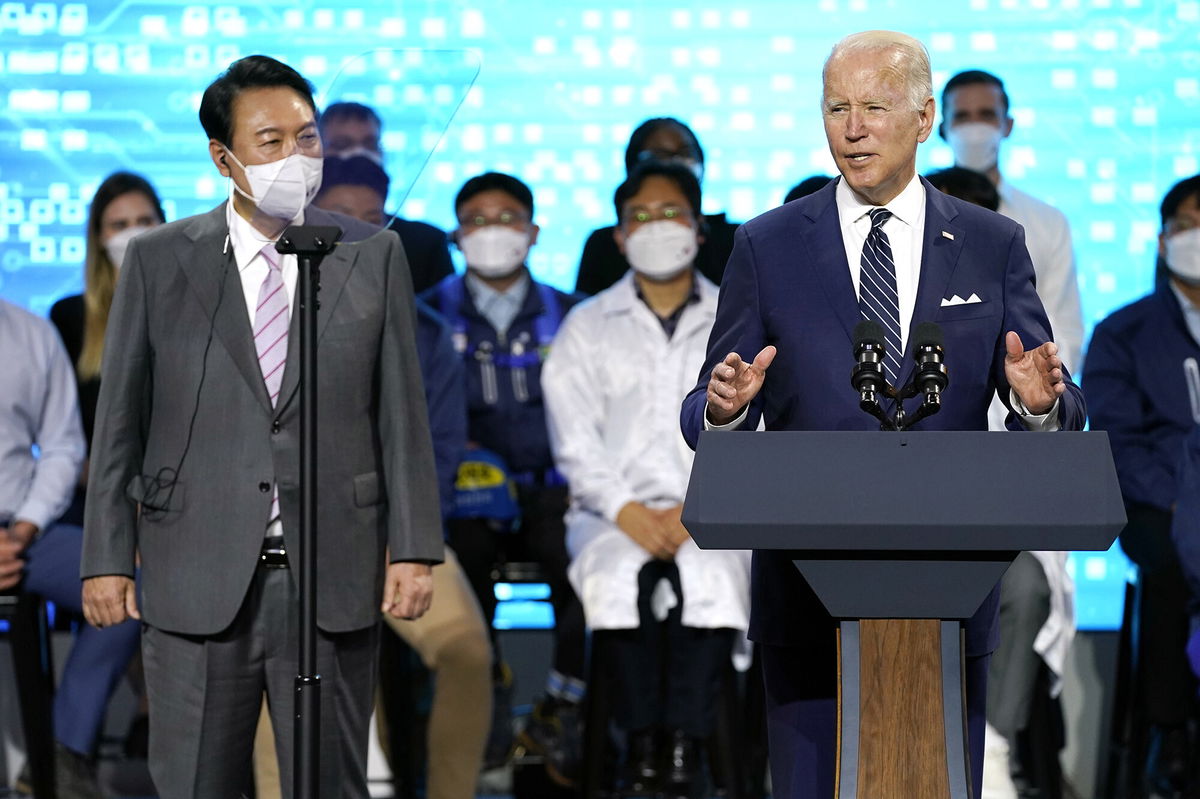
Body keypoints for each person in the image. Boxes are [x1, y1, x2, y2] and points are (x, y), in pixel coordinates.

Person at [679, 31, 1085, 799]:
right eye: (836, 108)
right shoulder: (767, 246)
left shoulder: (992, 244)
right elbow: (708, 411)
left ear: (924, 116)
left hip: (948, 589)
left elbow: (1052, 394)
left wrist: (1038, 403)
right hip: (804, 585)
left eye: (873, 107)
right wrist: (728, 410)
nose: (852, 128)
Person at [79, 54, 442, 799]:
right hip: (196, 572)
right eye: (270, 141)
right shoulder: (157, 260)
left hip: (332, 568)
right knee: (195, 784)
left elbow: (403, 415)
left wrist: (412, 546)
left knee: (328, 784)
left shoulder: (371, 253)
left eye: (307, 138)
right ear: (224, 157)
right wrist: (106, 556)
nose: (295, 157)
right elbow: (120, 422)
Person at [543, 161, 751, 798]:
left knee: (714, 576)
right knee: (612, 578)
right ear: (617, 236)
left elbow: (758, 431)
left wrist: (696, 512)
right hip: (613, 514)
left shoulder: (738, 317)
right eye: (640, 215)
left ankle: (686, 744)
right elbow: (574, 442)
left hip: (714, 512)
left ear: (698, 227)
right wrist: (628, 511)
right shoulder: (585, 324)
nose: (656, 227)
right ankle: (636, 745)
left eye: (671, 214)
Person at [307, 152, 492, 799]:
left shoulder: (427, 333)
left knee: (468, 651)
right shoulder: (269, 321)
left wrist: (403, 538)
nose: (356, 230)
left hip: (403, 536)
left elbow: (438, 456)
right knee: (287, 658)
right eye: (338, 215)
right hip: (301, 542)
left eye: (371, 218)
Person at [421, 172, 587, 786]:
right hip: (462, 498)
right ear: (457, 235)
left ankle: (561, 705)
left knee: (587, 563)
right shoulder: (426, 314)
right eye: (479, 220)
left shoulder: (572, 313)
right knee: (461, 562)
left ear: (535, 231)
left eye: (508, 218)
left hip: (552, 489)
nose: (495, 232)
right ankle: (487, 690)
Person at [928, 163, 1072, 799]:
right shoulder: (876, 291)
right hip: (878, 518)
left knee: (1024, 587)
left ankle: (992, 745)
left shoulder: (1019, 305)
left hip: (989, 522)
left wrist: (1038, 405)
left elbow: (1061, 405)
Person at [1084, 173, 1200, 797]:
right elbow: (1118, 441)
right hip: (1161, 498)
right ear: (1162, 238)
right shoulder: (1124, 332)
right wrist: (1179, 498)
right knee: (1173, 565)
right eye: (1188, 223)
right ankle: (1170, 731)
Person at [1, 297, 137, 799]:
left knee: (127, 584)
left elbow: (62, 446)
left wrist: (23, 529)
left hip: (22, 530)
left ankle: (60, 754)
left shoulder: (31, 333)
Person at [49, 172, 165, 527]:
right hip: (96, 500)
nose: (134, 232)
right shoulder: (71, 318)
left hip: (182, 494)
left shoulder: (198, 308)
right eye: (119, 224)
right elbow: (63, 438)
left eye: (144, 221)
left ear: (163, 225)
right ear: (99, 237)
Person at [574, 117, 738, 295]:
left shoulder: (736, 240)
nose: (674, 164)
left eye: (685, 154)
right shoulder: (604, 245)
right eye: (658, 156)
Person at [319, 101, 454, 294]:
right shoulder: (286, 237)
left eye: (369, 144)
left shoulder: (426, 244)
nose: (359, 154)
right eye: (343, 144)